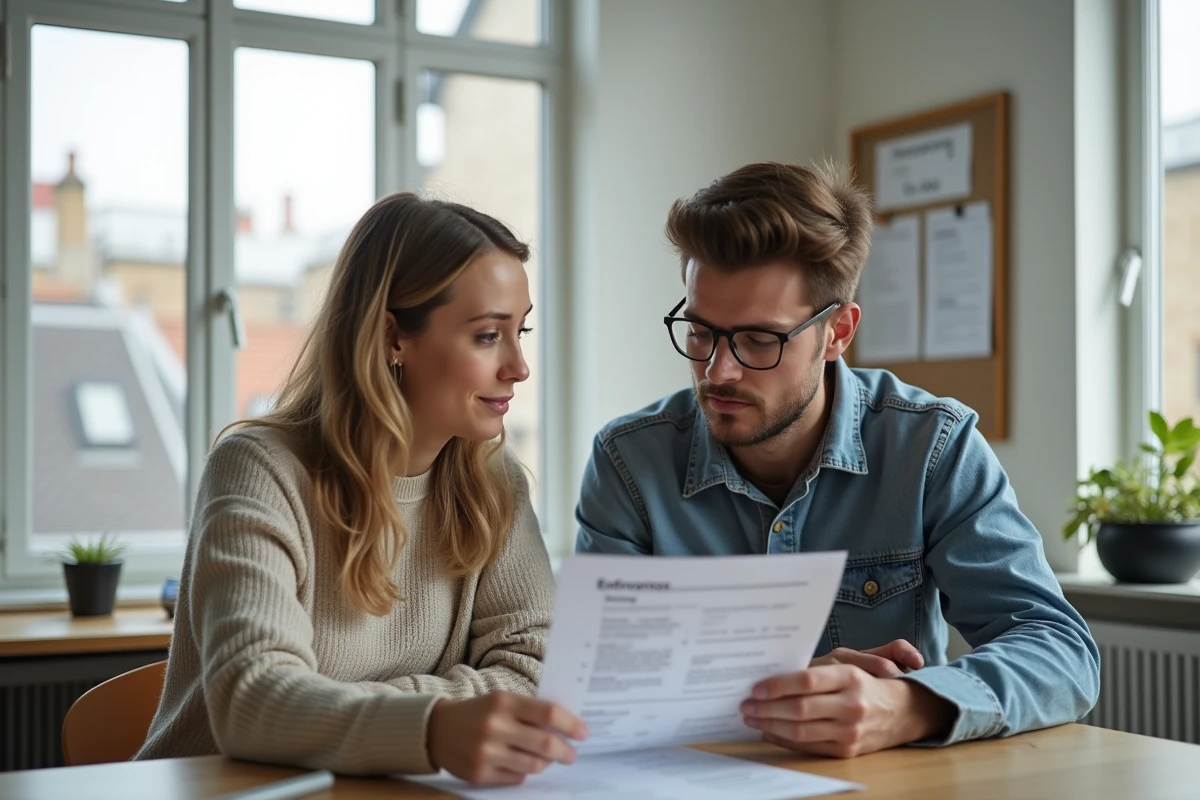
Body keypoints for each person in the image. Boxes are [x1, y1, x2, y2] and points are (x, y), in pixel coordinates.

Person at [575, 162, 1099, 757]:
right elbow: (604, 687)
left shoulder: (930, 448)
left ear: (838, 332)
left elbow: (1061, 652)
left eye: (758, 340)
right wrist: (782, 694)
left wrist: (907, 705)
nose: (718, 371)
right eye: (699, 331)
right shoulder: (628, 463)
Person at [138, 193, 586, 785]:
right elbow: (252, 699)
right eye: (486, 335)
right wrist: (433, 728)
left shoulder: (494, 482)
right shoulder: (259, 469)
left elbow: (538, 672)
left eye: (519, 330)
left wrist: (342, 710)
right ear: (392, 337)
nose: (519, 367)